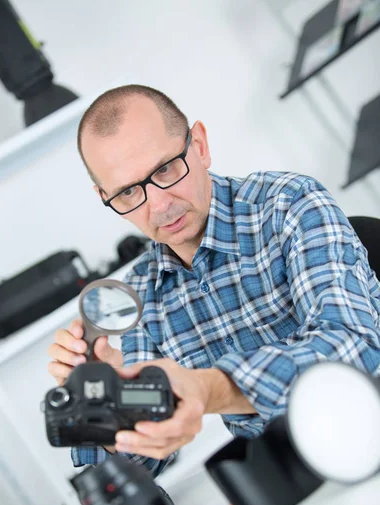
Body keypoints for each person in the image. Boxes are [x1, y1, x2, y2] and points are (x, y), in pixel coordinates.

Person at [48, 84, 380, 476]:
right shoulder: (143, 293)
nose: (158, 205)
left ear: (200, 146)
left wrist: (209, 388)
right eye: (127, 193)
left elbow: (353, 343)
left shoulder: (290, 204)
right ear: (106, 197)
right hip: (288, 478)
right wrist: (106, 396)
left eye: (164, 169)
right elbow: (135, 463)